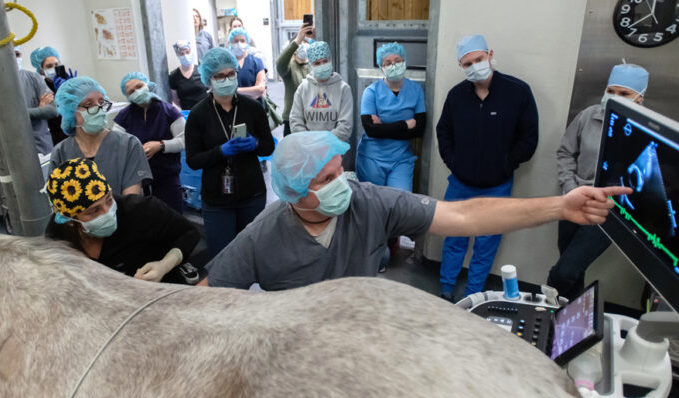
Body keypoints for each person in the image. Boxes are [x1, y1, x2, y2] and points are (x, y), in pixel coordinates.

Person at [200, 132, 629, 290]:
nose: (342, 183)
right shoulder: (264, 235)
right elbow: (209, 294)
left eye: (340, 170)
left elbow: (465, 217)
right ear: (295, 195)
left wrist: (560, 206)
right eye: (325, 180)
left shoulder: (370, 202)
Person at [435, 34, 538, 301]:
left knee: (486, 244)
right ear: (461, 66)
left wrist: (505, 164)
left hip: (497, 186)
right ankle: (445, 289)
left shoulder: (517, 92)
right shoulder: (457, 96)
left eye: (478, 59)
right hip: (460, 183)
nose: (474, 67)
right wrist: (454, 162)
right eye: (467, 64)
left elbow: (529, 138)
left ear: (490, 55)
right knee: (454, 238)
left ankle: (473, 295)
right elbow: (443, 132)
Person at [547, 63, 649, 299]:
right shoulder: (588, 116)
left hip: (609, 212)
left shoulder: (646, 130)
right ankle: (569, 318)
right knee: (573, 271)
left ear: (639, 97)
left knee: (564, 272)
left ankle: (546, 306)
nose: (614, 97)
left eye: (624, 93)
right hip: (575, 200)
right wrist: (570, 188)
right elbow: (565, 152)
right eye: (611, 91)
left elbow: (644, 180)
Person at [45, 158, 199, 283]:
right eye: (94, 211)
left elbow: (189, 233)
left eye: (109, 199)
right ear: (70, 220)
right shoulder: (58, 235)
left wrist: (165, 265)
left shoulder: (140, 210)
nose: (107, 212)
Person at [184, 47, 275, 259]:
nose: (226, 80)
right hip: (217, 199)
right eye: (219, 76)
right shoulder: (198, 115)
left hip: (252, 193)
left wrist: (255, 144)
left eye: (230, 74)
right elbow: (193, 160)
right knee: (222, 256)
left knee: (251, 253)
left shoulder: (253, 108)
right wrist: (220, 152)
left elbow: (269, 146)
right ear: (209, 79)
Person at [50, 76, 150, 195]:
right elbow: (58, 198)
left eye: (101, 102)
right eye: (88, 104)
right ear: (70, 112)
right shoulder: (61, 153)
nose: (98, 108)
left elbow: (132, 199)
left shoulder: (129, 144)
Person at [357, 42, 426, 192]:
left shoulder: (416, 90)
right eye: (387, 63)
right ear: (381, 67)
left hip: (401, 160)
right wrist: (405, 125)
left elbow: (419, 130)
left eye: (398, 61)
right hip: (372, 159)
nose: (393, 65)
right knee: (372, 202)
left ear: (404, 61)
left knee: (401, 201)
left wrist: (383, 128)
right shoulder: (371, 92)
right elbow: (371, 130)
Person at [114, 72, 186, 213]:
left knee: (172, 219)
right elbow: (115, 144)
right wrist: (134, 151)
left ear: (147, 84)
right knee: (145, 221)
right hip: (136, 181)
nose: (137, 92)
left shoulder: (169, 111)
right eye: (131, 91)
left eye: (139, 86)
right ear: (127, 96)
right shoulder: (124, 116)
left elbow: (184, 140)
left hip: (167, 178)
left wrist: (161, 145)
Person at [289, 41, 353, 144]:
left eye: (325, 61)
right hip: (309, 148)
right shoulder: (303, 89)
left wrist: (323, 143)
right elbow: (295, 121)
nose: (322, 65)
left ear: (330, 60)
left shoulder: (343, 89)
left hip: (335, 148)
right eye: (317, 63)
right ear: (311, 65)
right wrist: (310, 143)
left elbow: (345, 126)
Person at [15, 46, 57, 155]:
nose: (13, 58)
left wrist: (19, 114)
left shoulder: (33, 78)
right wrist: (39, 111)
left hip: (43, 147)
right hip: (15, 150)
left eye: (16, 54)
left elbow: (53, 111)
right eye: (49, 66)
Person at [276, 23, 313, 136]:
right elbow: (280, 63)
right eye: (301, 43)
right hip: (292, 120)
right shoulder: (289, 67)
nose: (303, 45)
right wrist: (297, 41)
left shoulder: (314, 66)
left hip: (313, 120)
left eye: (306, 42)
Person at [30, 46, 68, 145]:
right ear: (41, 70)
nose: (54, 68)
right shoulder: (41, 88)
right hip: (56, 138)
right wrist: (41, 109)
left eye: (56, 64)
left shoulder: (67, 83)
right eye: (49, 66)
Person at [226, 28, 266, 104]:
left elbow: (260, 89)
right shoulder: (226, 63)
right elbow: (224, 90)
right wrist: (252, 92)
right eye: (236, 41)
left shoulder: (256, 62)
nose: (239, 44)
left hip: (255, 106)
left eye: (242, 41)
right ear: (230, 43)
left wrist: (235, 90)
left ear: (247, 42)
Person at [168, 40, 209, 111]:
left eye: (187, 52)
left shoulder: (201, 70)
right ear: (178, 55)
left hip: (205, 110)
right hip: (187, 113)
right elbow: (175, 100)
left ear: (191, 52)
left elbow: (210, 90)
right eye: (182, 54)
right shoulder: (174, 76)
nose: (185, 56)